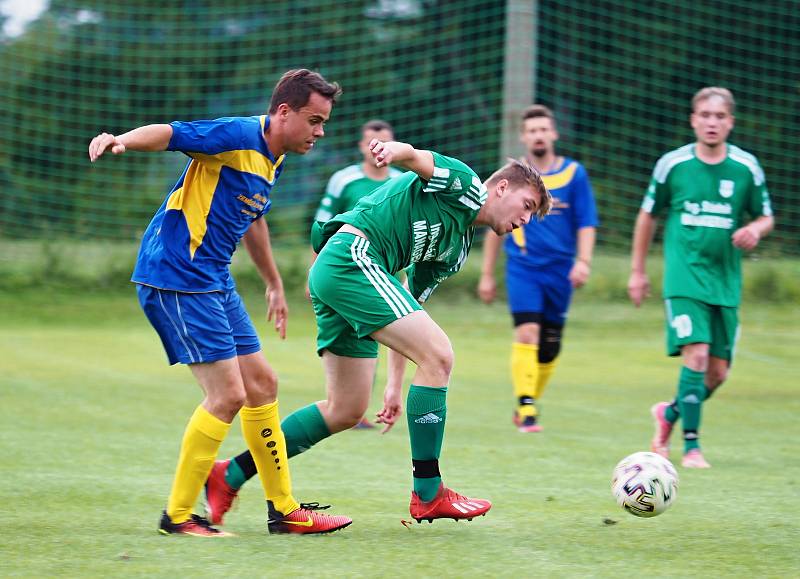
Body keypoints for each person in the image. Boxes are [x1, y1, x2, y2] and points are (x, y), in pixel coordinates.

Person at [205, 137, 551, 526]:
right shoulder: (467, 185)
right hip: (352, 258)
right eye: (527, 206)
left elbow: (408, 310)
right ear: (502, 187)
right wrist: (392, 150)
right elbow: (418, 159)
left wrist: (394, 386)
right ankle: (428, 492)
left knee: (346, 409)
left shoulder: (455, 250)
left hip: (352, 277)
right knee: (441, 355)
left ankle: (229, 474)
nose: (525, 220)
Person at [87, 69, 353, 536]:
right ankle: (179, 516)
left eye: (324, 122)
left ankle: (284, 511)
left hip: (211, 278)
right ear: (283, 112)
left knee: (263, 384)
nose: (320, 131)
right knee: (228, 395)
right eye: (314, 120)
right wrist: (122, 140)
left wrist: (273, 282)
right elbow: (172, 134)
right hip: (176, 274)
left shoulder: (274, 156)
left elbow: (252, 219)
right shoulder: (236, 135)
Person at [628, 87, 774, 468]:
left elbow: (765, 215)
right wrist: (638, 271)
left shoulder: (746, 168)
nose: (712, 122)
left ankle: (669, 413)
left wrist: (756, 230)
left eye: (720, 116)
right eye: (705, 115)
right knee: (697, 355)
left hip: (725, 281)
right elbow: (648, 216)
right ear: (693, 120)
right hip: (684, 277)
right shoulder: (673, 165)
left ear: (731, 122)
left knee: (718, 372)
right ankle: (690, 446)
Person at [478, 105, 598, 432]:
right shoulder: (513, 178)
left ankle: (528, 398)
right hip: (523, 268)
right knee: (527, 332)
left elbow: (586, 223)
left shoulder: (574, 175)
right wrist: (488, 274)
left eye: (543, 129)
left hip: (560, 271)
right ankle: (526, 407)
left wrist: (583, 262)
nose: (538, 135)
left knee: (550, 346)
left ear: (554, 133)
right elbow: (494, 221)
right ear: (523, 136)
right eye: (532, 131)